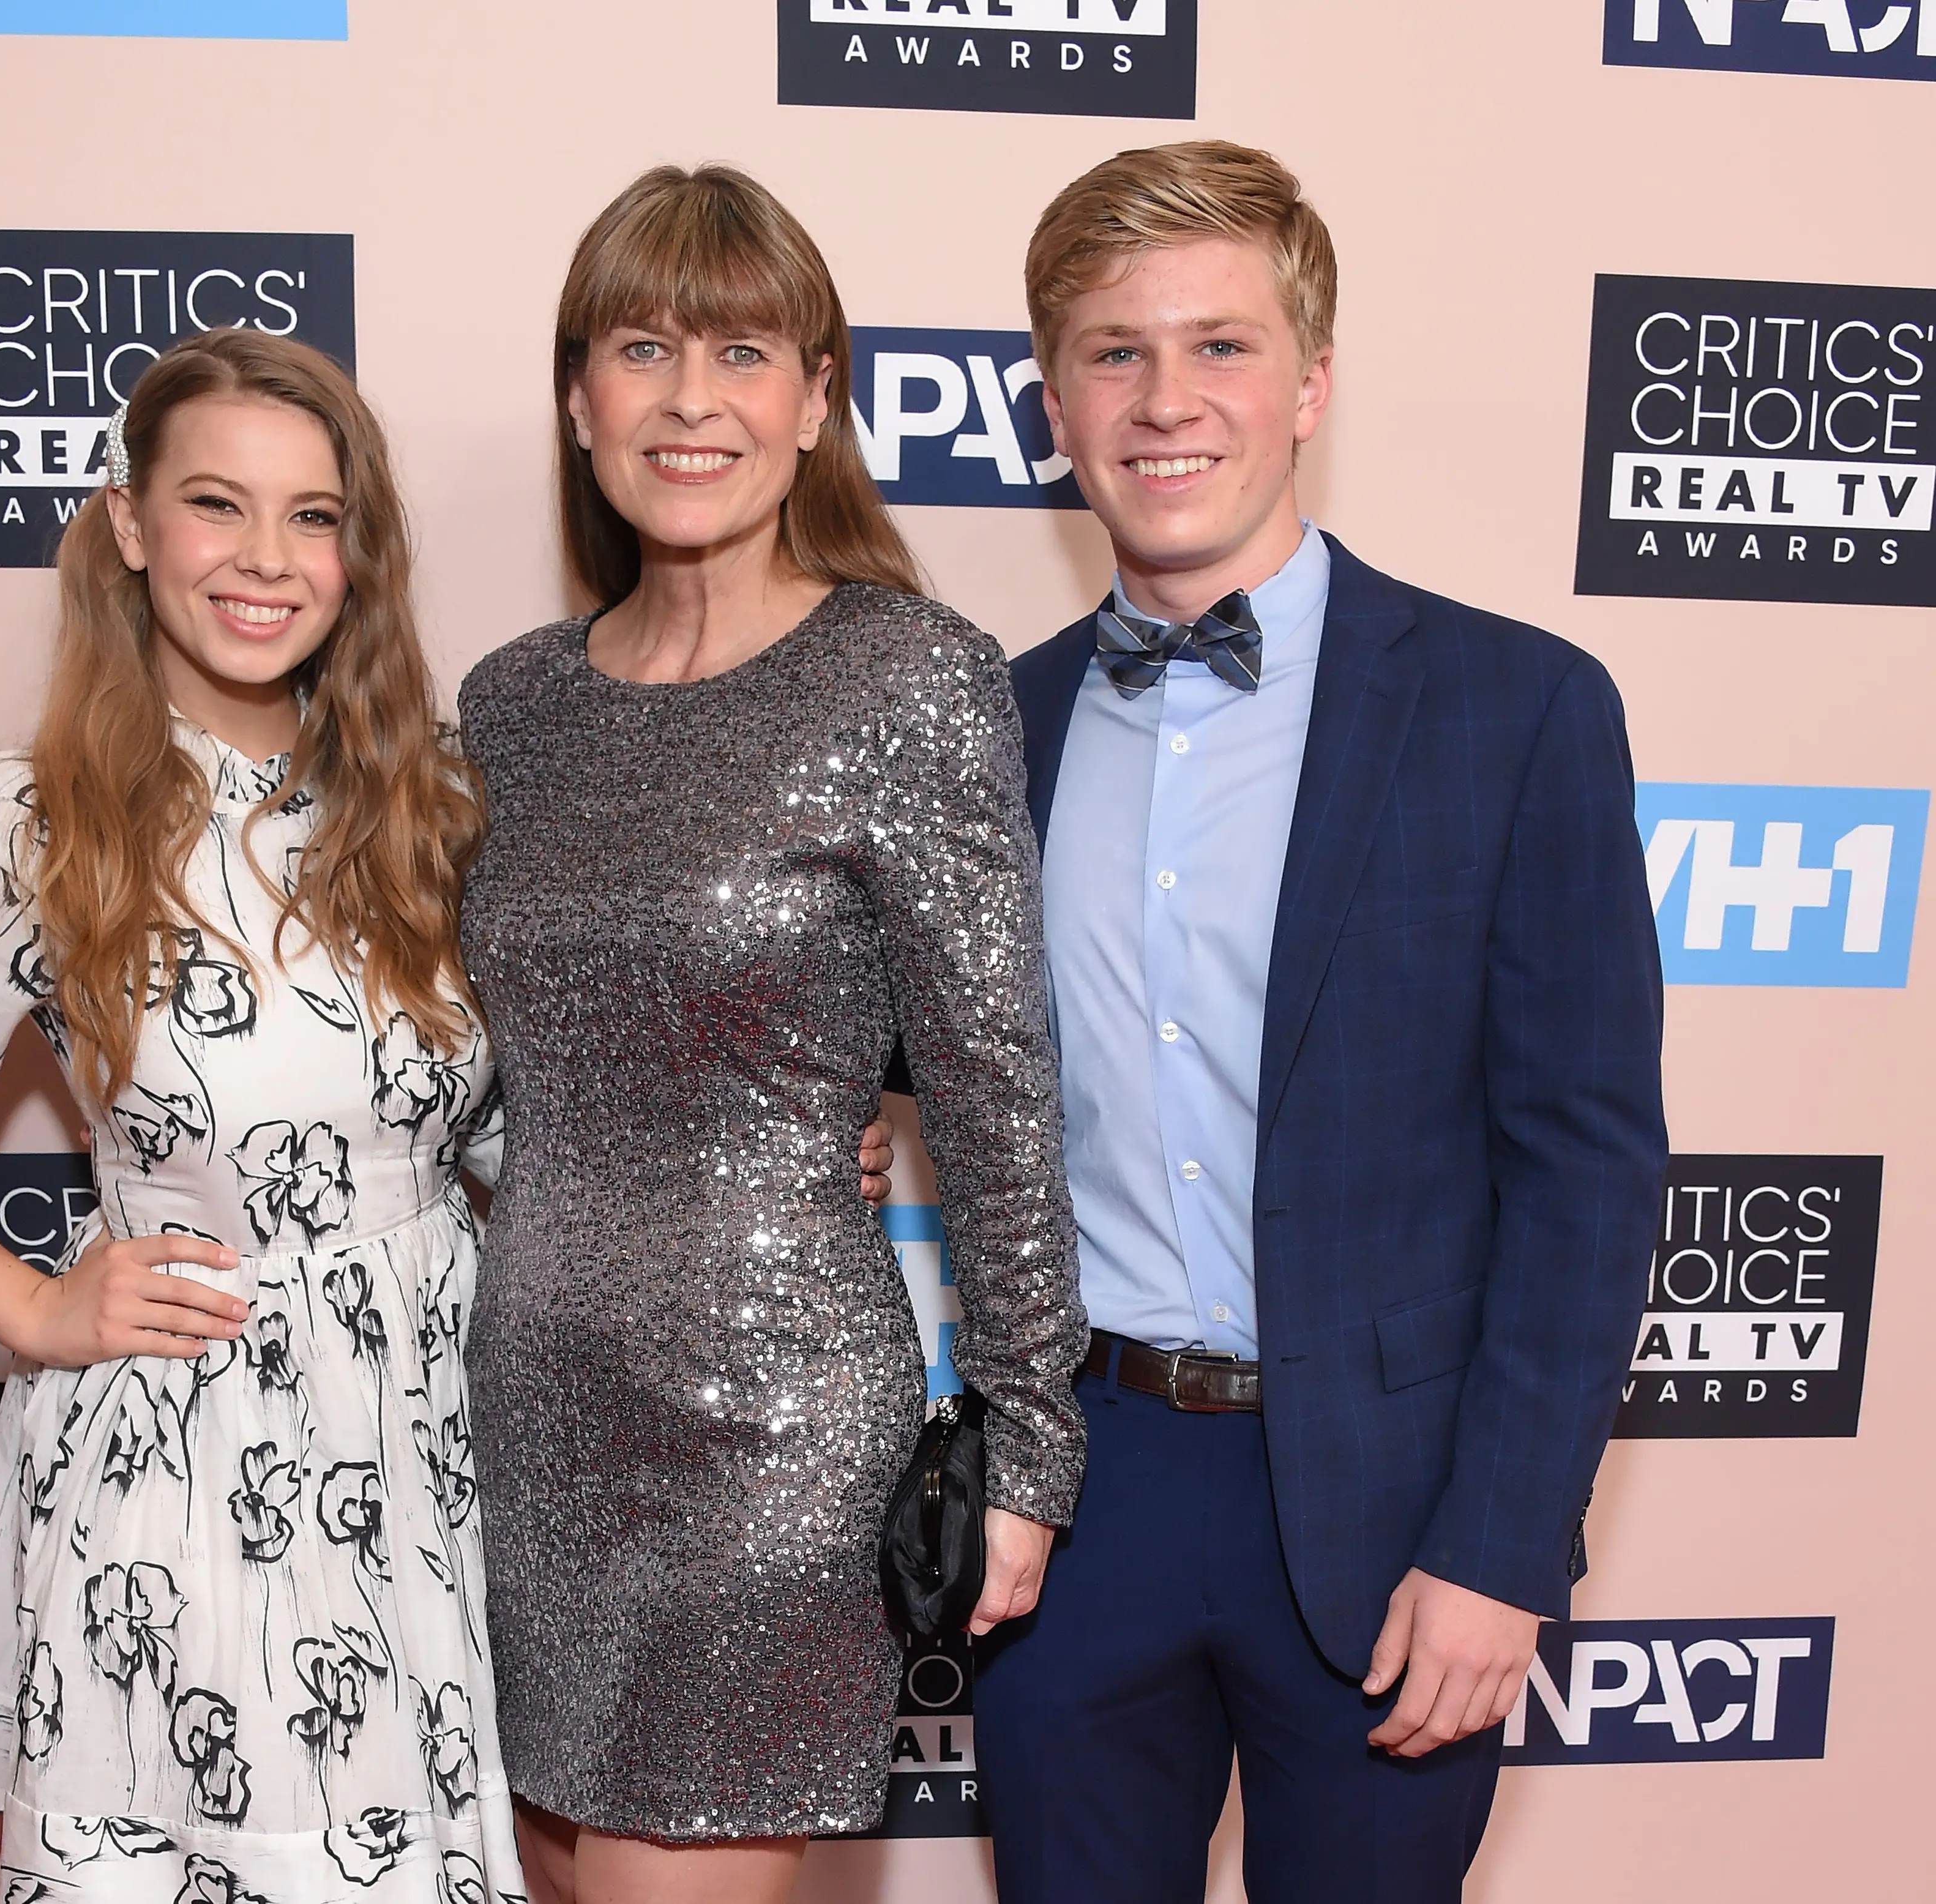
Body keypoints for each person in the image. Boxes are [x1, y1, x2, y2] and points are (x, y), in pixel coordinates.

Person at [0, 329, 530, 1903]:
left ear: (359, 551)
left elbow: (516, 1131)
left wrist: (750, 1150)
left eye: (314, 516)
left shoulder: (437, 803)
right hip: (185, 1452)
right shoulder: (27, 814)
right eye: (216, 505)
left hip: (428, 1442)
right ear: (130, 524)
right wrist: (30, 1303)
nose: (264, 560)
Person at [970, 142, 1667, 1903]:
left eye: (1220, 344)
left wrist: (1503, 1548)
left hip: (1394, 1513)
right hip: (1080, 1501)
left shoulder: (1517, 710)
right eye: (1115, 352)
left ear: (1312, 379)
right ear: (1053, 400)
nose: (1167, 398)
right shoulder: (984, 732)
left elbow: (1588, 1166)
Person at [455, 166, 1089, 1904]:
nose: (688, 398)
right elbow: (476, 1070)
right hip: (521, 1410)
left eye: (744, 351)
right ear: (579, 396)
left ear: (818, 399)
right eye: (640, 345)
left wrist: (1029, 1448)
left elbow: (998, 1087)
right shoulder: (510, 705)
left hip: (770, 1425)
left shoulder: (908, 677)